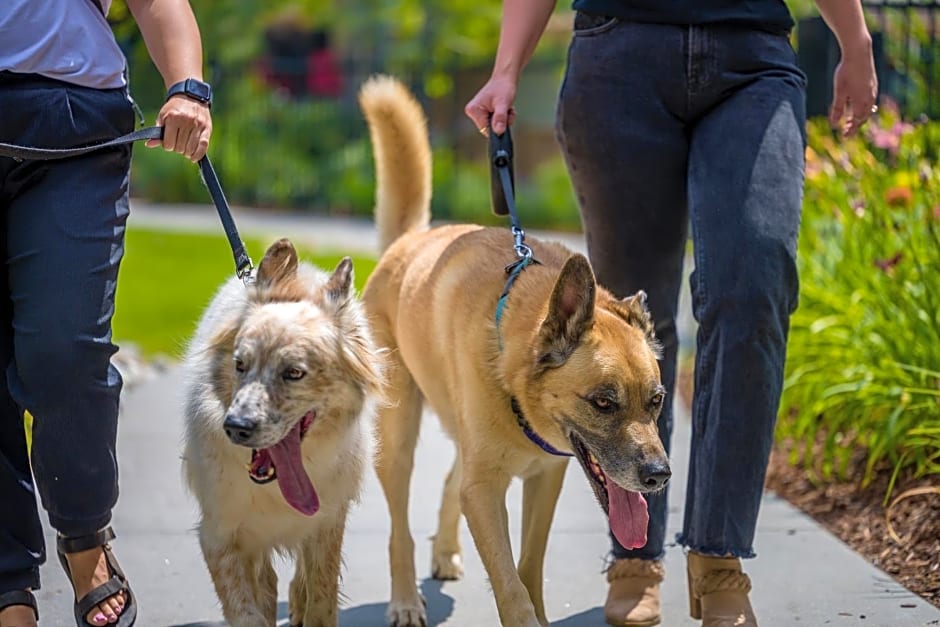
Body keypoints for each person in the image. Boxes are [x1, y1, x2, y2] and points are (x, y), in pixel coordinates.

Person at [466, 1, 877, 625]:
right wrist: (505, 67)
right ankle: (636, 558)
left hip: (752, 58)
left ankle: (718, 559)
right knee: (625, 318)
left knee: (753, 285)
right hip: (618, 52)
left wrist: (856, 37)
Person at [0, 1, 212, 625]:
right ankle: (9, 584)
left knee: (64, 352)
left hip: (73, 123)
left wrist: (187, 88)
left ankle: (84, 530)